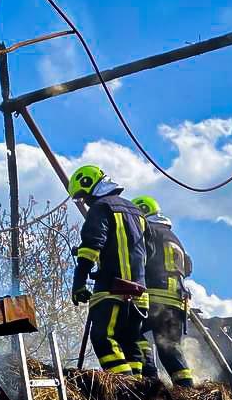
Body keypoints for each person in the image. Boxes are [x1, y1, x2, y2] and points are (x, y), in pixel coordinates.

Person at [69, 164, 152, 377]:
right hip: (140, 295)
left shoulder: (101, 208)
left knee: (103, 338)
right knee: (130, 344)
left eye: (83, 197)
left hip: (113, 290)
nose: (85, 202)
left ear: (89, 185)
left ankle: (126, 389)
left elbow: (91, 246)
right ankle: (139, 394)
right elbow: (148, 252)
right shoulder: (138, 213)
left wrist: (79, 282)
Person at [132, 195, 194, 387]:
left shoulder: (148, 232)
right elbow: (189, 267)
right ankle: (187, 389)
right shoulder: (173, 238)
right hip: (178, 301)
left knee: (129, 332)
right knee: (170, 348)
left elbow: (136, 257)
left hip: (155, 299)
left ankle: (149, 377)